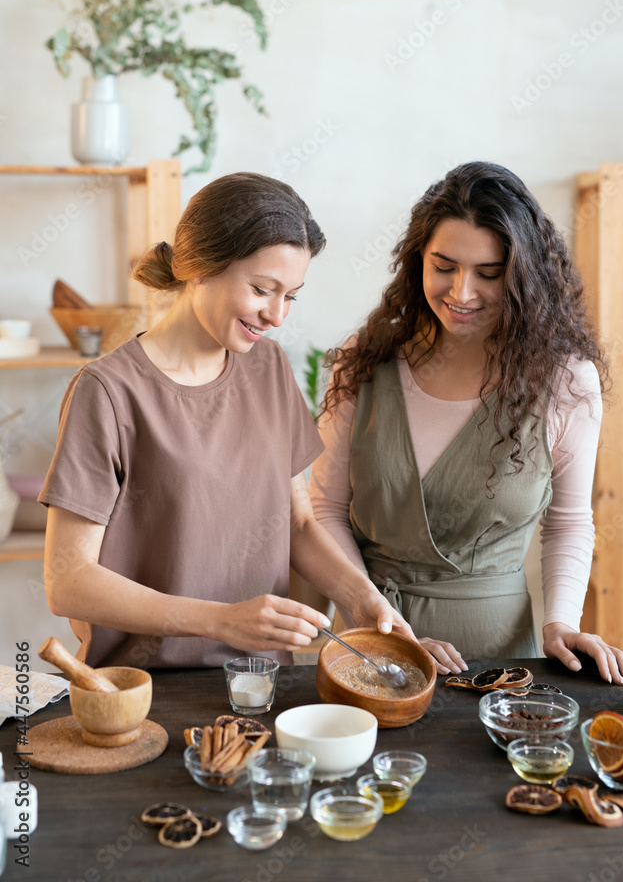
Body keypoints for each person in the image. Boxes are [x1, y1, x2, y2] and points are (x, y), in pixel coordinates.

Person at [40, 172, 411, 669]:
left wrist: (361, 597)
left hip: (262, 682)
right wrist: (218, 620)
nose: (277, 314)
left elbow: (297, 522)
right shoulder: (107, 391)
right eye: (262, 289)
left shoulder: (270, 367)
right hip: (148, 691)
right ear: (200, 268)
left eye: (291, 296)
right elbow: (67, 582)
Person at [309, 161, 623, 685]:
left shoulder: (567, 380)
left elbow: (569, 520)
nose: (461, 293)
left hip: (501, 661)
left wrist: (561, 624)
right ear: (418, 260)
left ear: (526, 276)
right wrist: (372, 621)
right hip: (369, 650)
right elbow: (324, 509)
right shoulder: (366, 360)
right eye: (444, 266)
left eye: (489, 274)